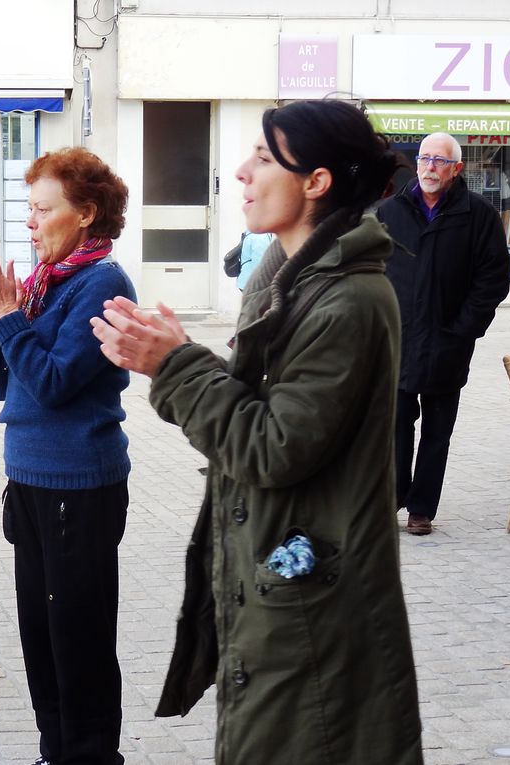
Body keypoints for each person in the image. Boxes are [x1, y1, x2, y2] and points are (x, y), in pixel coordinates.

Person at [91, 100, 423, 764]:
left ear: (317, 181)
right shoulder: (292, 282)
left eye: (265, 158)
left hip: (314, 607)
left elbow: (272, 446)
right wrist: (180, 357)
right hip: (287, 587)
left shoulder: (349, 300)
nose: (242, 172)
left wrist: (175, 365)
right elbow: (271, 412)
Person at [0, 146, 136, 765]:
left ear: (86, 213)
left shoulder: (103, 284)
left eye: (44, 209)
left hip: (78, 486)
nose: (30, 221)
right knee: (40, 635)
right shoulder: (43, 284)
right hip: (30, 479)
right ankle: (54, 750)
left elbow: (56, 382)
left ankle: (90, 755)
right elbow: (8, 384)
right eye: (28, 208)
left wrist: (7, 317)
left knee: (78, 639)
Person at [375, 132, 510, 535]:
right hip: (397, 339)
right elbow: (367, 269)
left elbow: (494, 277)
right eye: (424, 159)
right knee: (395, 427)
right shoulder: (389, 212)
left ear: (456, 168)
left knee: (438, 431)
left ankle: (421, 509)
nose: (430, 167)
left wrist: (465, 327)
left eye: (439, 161)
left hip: (448, 342)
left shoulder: (478, 214)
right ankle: (392, 499)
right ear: (416, 164)